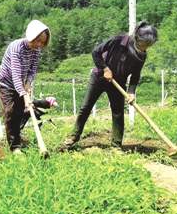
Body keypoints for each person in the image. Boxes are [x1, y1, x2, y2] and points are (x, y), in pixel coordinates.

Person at [61, 21, 158, 151]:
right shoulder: (119, 41)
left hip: (119, 83)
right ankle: (73, 136)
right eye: (143, 44)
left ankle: (116, 146)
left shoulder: (141, 55)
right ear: (136, 38)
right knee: (86, 107)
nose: (144, 48)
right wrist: (105, 69)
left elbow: (135, 75)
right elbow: (96, 52)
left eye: (148, 46)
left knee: (118, 113)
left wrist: (131, 92)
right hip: (99, 77)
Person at [0, 19, 55, 154]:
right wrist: (23, 94)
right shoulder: (16, 48)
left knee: (19, 112)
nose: (39, 44)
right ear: (31, 36)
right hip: (6, 82)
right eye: (37, 40)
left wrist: (28, 84)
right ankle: (15, 147)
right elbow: (16, 74)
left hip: (21, 84)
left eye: (42, 42)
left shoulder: (36, 51)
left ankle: (15, 137)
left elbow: (32, 70)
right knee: (10, 112)